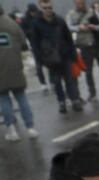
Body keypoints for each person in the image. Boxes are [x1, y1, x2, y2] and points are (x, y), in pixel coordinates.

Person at [30, 0, 83, 113]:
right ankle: (61, 102)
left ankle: (74, 100)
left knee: (69, 80)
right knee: (57, 82)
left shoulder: (59, 20)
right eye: (45, 8)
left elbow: (68, 38)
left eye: (50, 7)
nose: (48, 10)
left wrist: (72, 54)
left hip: (64, 55)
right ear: (41, 8)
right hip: (50, 58)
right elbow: (35, 43)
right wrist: (41, 59)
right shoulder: (37, 24)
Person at [0, 6, 38, 141]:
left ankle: (11, 130)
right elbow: (24, 45)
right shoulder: (12, 24)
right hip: (15, 66)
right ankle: (30, 128)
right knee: (21, 97)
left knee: (3, 98)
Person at [66, 0, 99, 100]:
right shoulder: (71, 14)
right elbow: (68, 27)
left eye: (82, 3)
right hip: (84, 45)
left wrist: (94, 27)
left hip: (97, 43)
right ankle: (92, 93)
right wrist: (79, 28)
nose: (80, 5)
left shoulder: (93, 12)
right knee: (88, 71)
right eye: (78, 3)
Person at [20, 3, 47, 90]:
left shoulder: (41, 15)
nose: (34, 13)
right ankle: (43, 83)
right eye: (32, 12)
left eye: (35, 12)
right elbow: (23, 31)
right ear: (29, 11)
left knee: (51, 62)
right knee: (39, 65)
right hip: (34, 44)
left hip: (44, 43)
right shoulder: (24, 20)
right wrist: (32, 32)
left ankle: (53, 81)